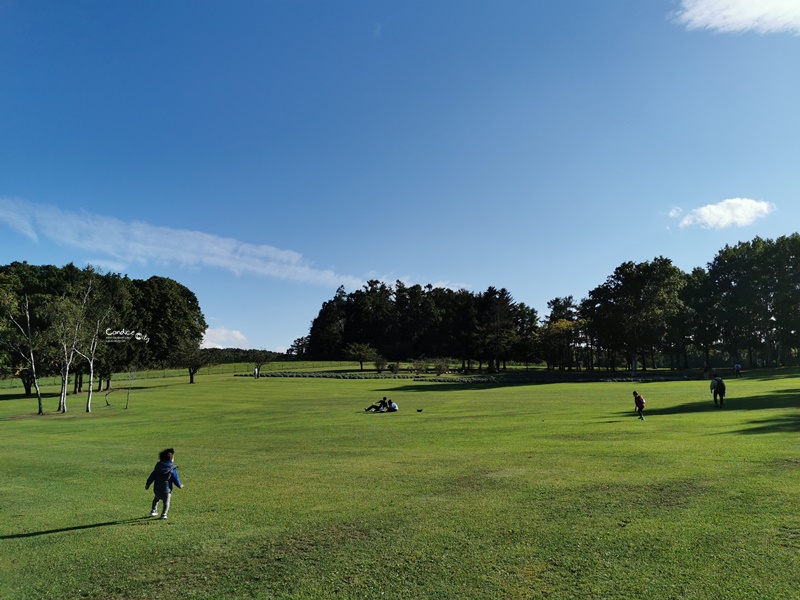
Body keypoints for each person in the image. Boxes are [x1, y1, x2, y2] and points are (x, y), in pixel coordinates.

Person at [145, 448, 184, 520]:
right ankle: (164, 514)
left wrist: (148, 484)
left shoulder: (157, 467)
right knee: (166, 502)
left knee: (156, 499)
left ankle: (153, 510)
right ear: (171, 459)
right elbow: (175, 478)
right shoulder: (172, 468)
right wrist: (179, 485)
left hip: (157, 489)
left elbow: (152, 476)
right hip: (166, 490)